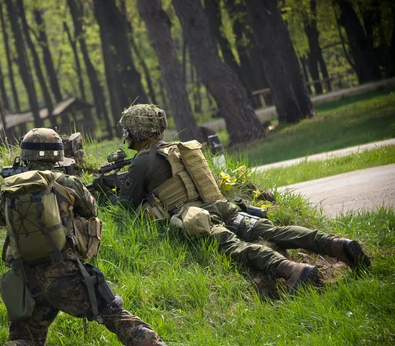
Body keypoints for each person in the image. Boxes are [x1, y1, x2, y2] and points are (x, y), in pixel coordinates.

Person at [0, 128, 184, 346]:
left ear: (24, 154)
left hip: (25, 281)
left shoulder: (9, 186)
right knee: (115, 315)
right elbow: (91, 208)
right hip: (65, 276)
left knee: (30, 339)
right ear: (57, 154)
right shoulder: (65, 182)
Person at [116, 104, 371, 293]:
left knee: (235, 247)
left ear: (138, 132)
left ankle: (292, 271)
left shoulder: (142, 163)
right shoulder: (179, 148)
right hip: (221, 206)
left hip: (199, 218)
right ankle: (337, 244)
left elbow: (124, 205)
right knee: (272, 231)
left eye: (128, 129)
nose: (125, 134)